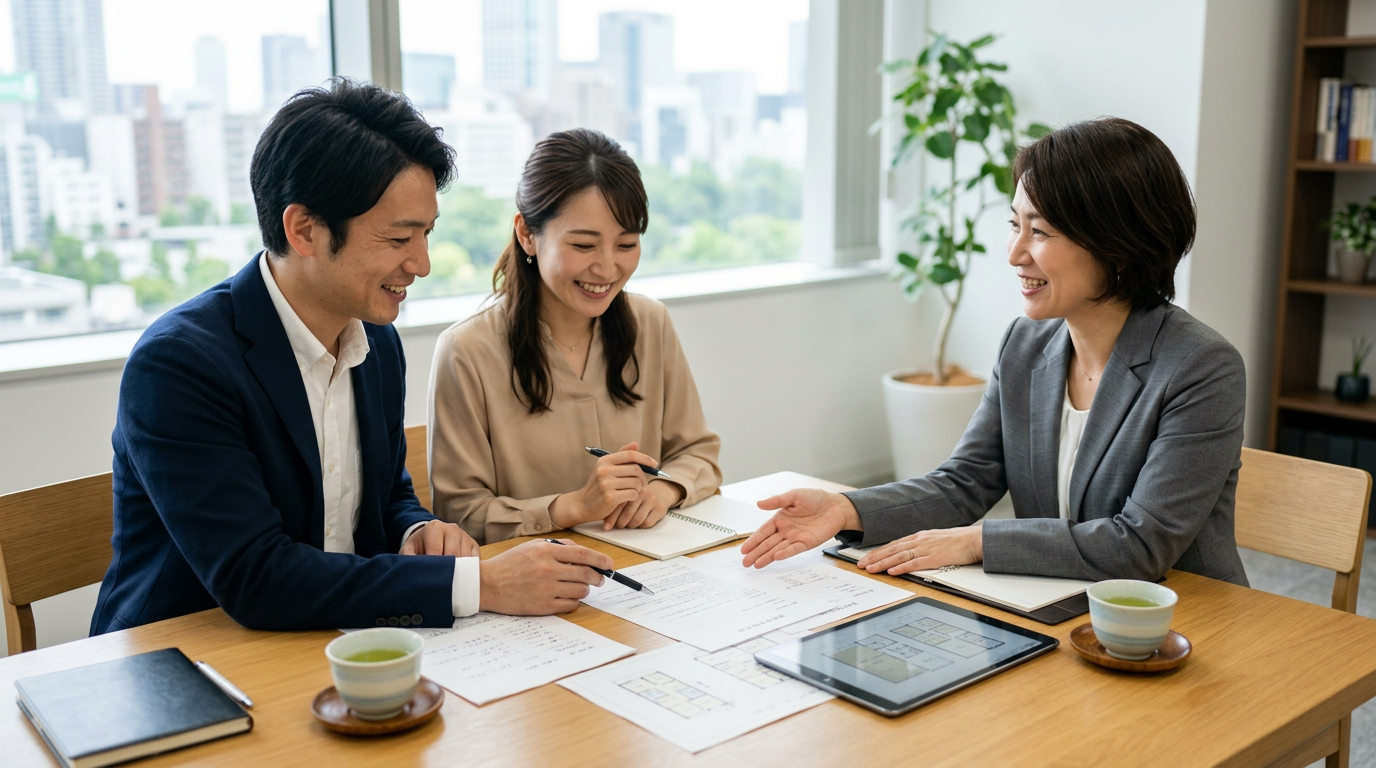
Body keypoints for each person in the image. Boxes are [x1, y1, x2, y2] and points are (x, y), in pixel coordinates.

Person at [90, 80, 612, 634]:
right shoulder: (179, 366)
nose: (422, 264)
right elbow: (256, 578)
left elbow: (386, 495)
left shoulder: (374, 340)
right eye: (397, 239)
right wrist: (481, 583)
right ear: (305, 229)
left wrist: (415, 530)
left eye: (427, 234)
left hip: (332, 635)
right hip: (186, 657)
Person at [741, 117, 1249, 586]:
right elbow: (965, 482)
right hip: (1060, 601)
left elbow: (1140, 544)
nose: (1014, 254)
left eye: (1041, 231)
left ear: (1118, 246)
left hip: (1186, 620)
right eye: (1015, 224)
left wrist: (975, 542)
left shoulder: (1201, 367)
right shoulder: (1025, 346)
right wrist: (844, 509)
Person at [428, 128, 721, 544]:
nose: (606, 269)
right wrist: (572, 507)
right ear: (527, 234)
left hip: (649, 566)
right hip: (534, 584)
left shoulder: (650, 322)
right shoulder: (466, 351)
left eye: (626, 244)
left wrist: (664, 489)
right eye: (584, 246)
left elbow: (699, 453)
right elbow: (460, 514)